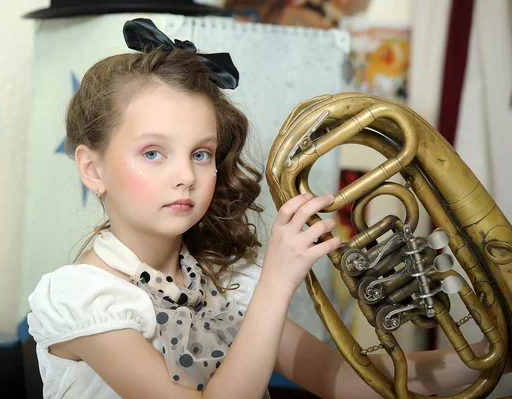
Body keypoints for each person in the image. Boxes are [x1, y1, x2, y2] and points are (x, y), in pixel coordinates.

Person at [27, 18, 510, 399]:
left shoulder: (222, 282)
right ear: (92, 170)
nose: (186, 176)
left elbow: (341, 381)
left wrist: (496, 353)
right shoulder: (83, 297)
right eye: (153, 153)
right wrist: (278, 280)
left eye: (202, 154)